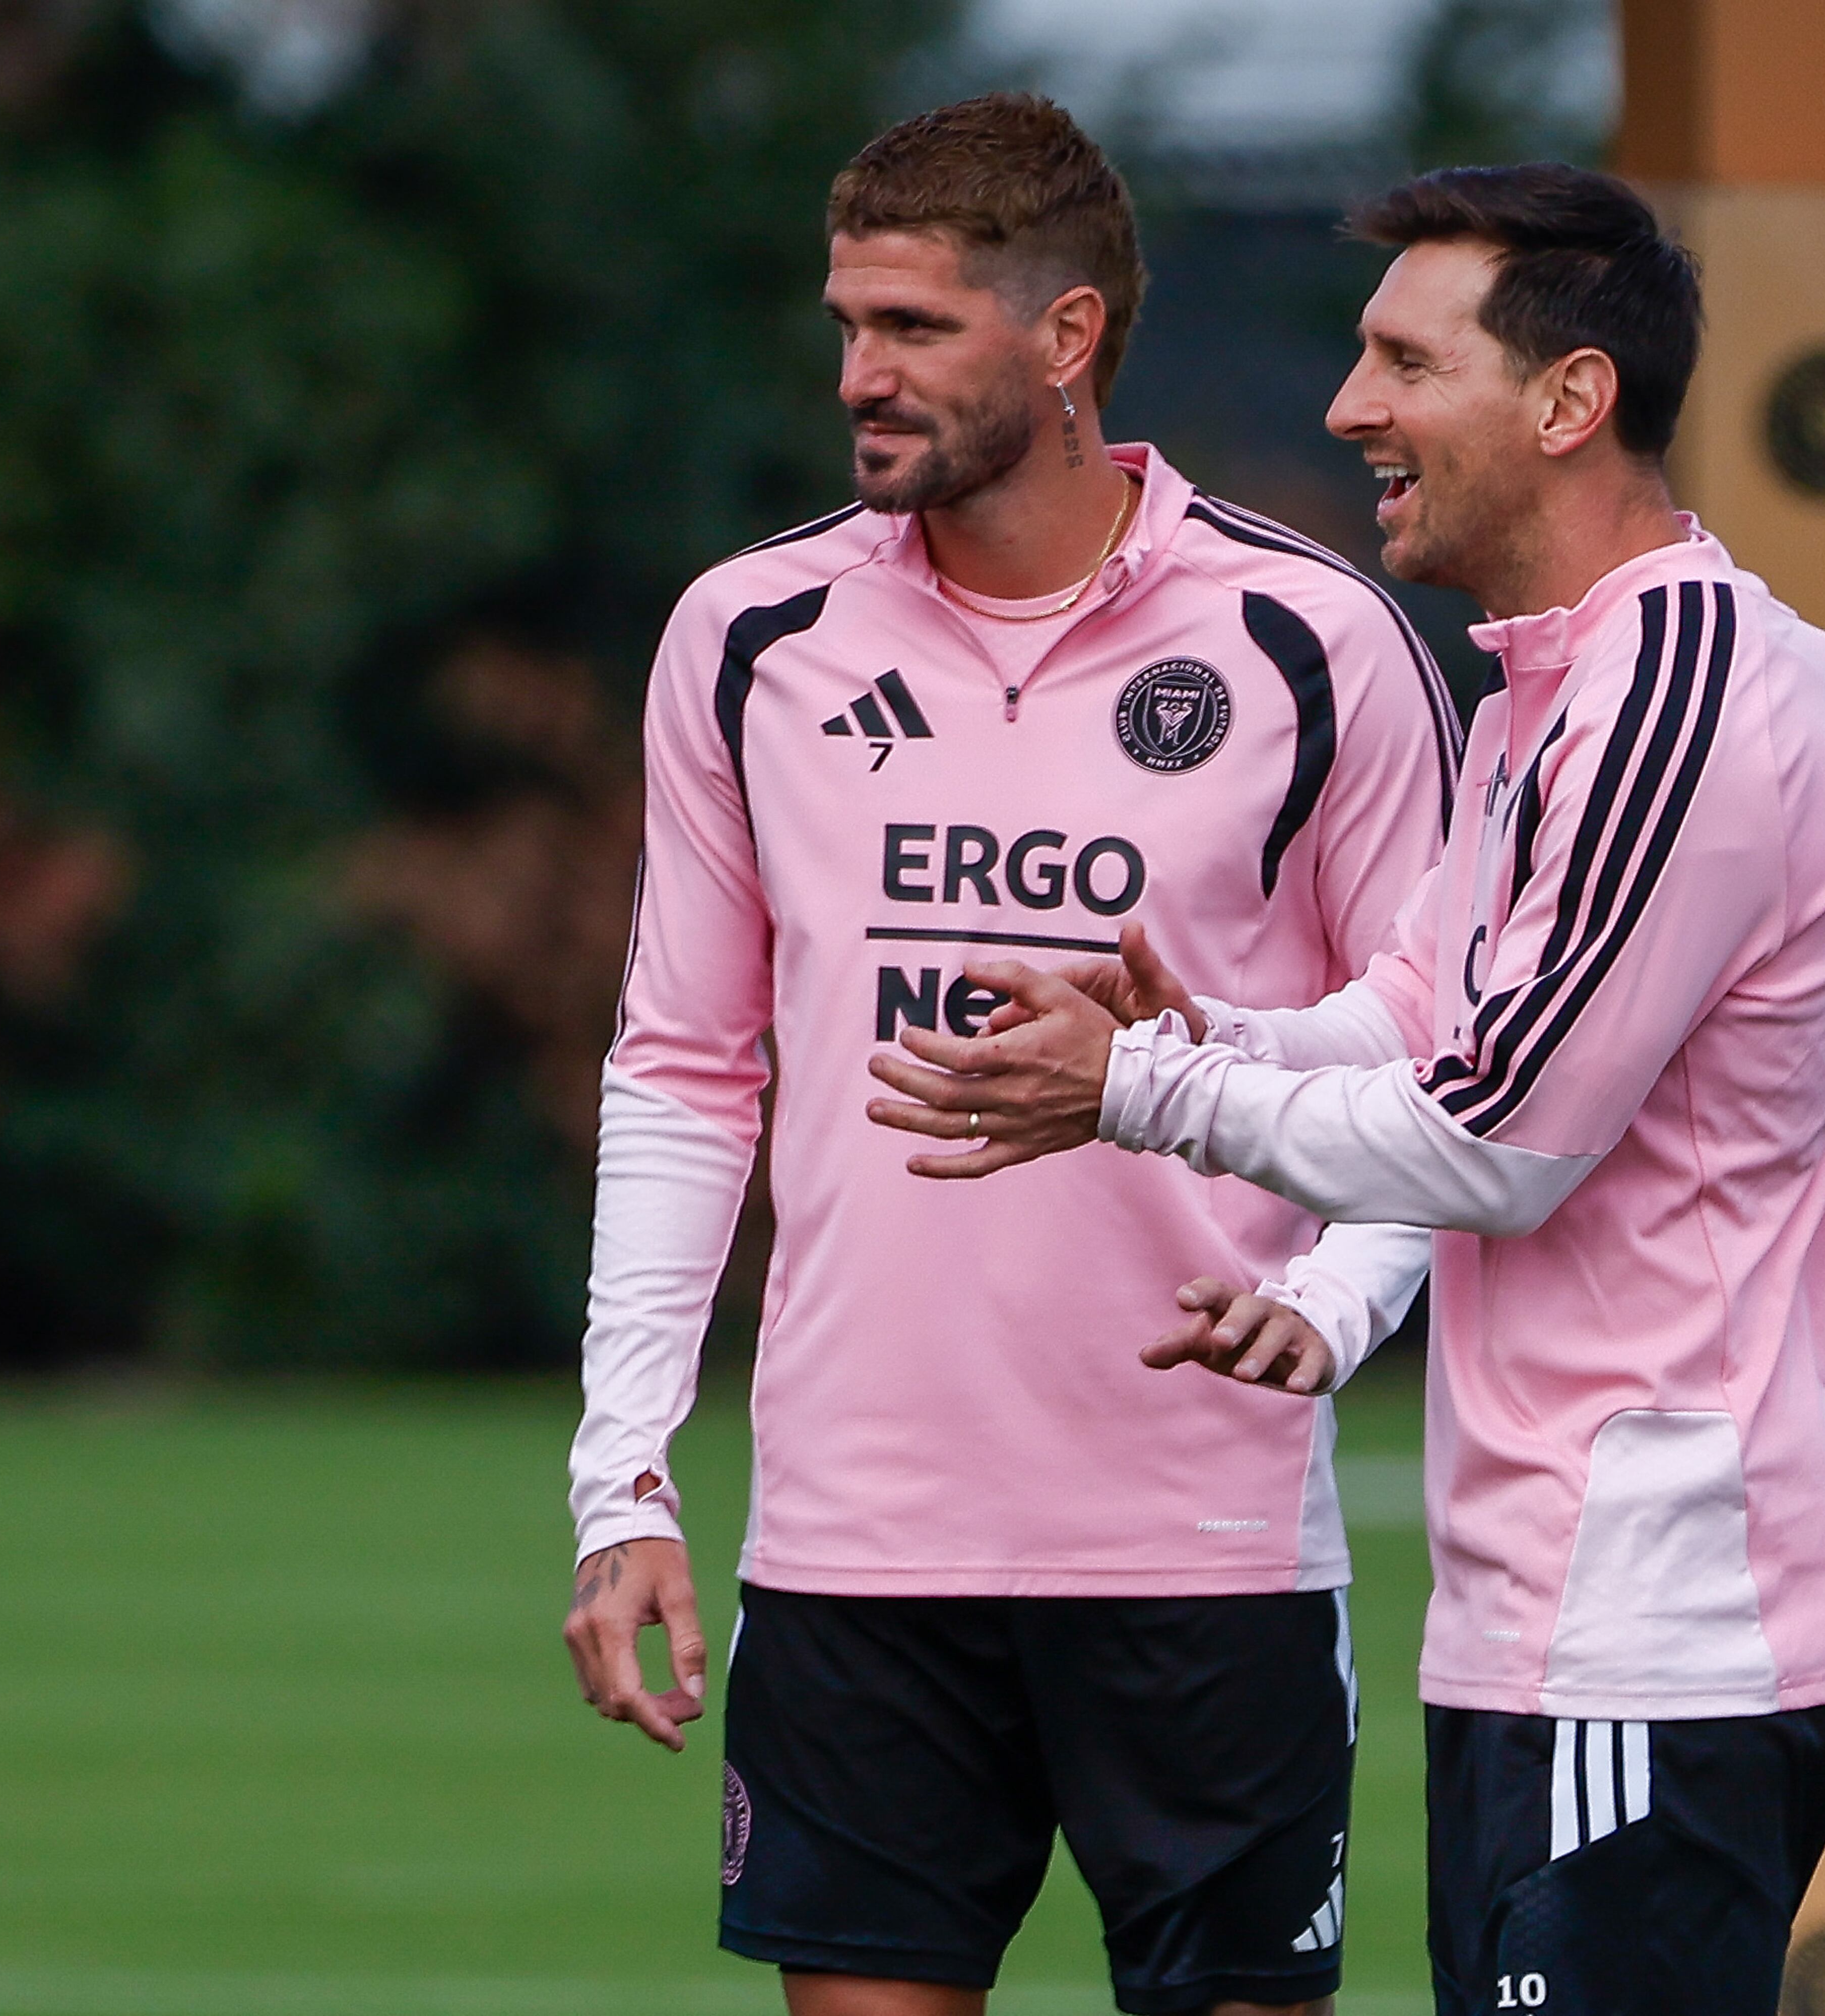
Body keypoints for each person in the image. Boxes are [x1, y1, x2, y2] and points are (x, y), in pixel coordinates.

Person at [866, 162, 1825, 2016]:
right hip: (1545, 1633)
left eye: (1405, 362)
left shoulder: (1690, 695)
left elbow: (1491, 1139)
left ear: (1568, 400)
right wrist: (1186, 1046)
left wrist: (1143, 1096)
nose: (1354, 412)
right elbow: (1410, 1017)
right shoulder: (1536, 699)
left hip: (1660, 1629)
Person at [559, 94, 1459, 2016]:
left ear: (1065, 342)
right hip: (857, 1541)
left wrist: (1347, 1304)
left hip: (1208, 1543)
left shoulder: (1316, 647)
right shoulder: (749, 637)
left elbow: (1438, 1066)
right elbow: (685, 1069)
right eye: (847, 325)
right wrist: (622, 1479)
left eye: (912, 330)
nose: (856, 376)